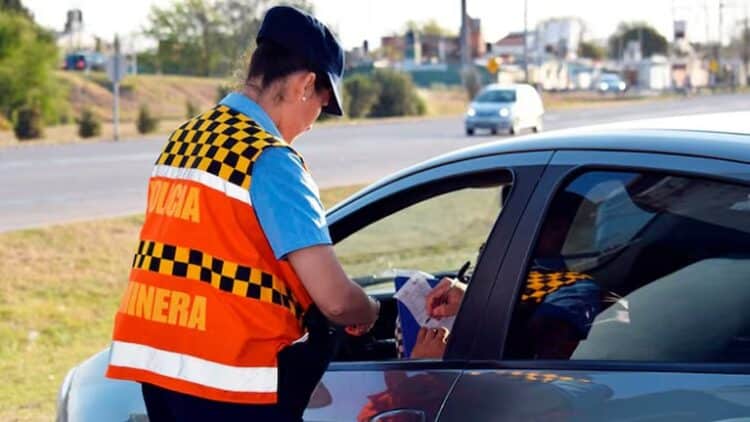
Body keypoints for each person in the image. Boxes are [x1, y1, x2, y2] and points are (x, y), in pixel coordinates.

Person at [106, 6, 379, 421]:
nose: (309, 125)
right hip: (230, 382)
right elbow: (337, 302)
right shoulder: (270, 159)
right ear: (306, 85)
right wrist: (373, 311)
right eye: (320, 109)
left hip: (161, 370)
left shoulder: (186, 137)